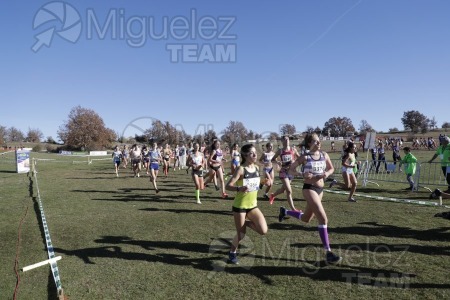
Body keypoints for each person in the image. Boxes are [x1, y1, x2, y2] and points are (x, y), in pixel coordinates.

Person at [278, 133, 342, 264]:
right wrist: (302, 174)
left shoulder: (324, 155)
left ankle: (285, 212)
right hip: (309, 188)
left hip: (320, 190)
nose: (318, 143)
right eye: (315, 141)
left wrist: (326, 173)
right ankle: (328, 253)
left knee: (306, 218)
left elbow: (331, 168)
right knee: (323, 219)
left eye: (319, 141)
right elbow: (291, 170)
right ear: (308, 144)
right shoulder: (305, 157)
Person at [225, 144, 268, 264]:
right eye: (252, 153)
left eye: (255, 152)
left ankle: (246, 224)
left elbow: (255, 186)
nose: (255, 155)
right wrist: (239, 189)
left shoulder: (256, 168)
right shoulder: (241, 169)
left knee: (263, 230)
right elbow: (228, 186)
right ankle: (232, 252)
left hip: (253, 206)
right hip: (240, 206)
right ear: (245, 155)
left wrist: (264, 183)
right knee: (241, 235)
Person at [269, 135, 300, 211]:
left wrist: (295, 162)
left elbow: (300, 159)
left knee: (283, 190)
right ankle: (293, 209)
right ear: (282, 141)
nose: (287, 140)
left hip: (291, 172)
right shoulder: (280, 151)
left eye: (288, 139)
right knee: (289, 191)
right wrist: (277, 162)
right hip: (283, 172)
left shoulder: (293, 150)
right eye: (285, 139)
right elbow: (272, 159)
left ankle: (273, 195)